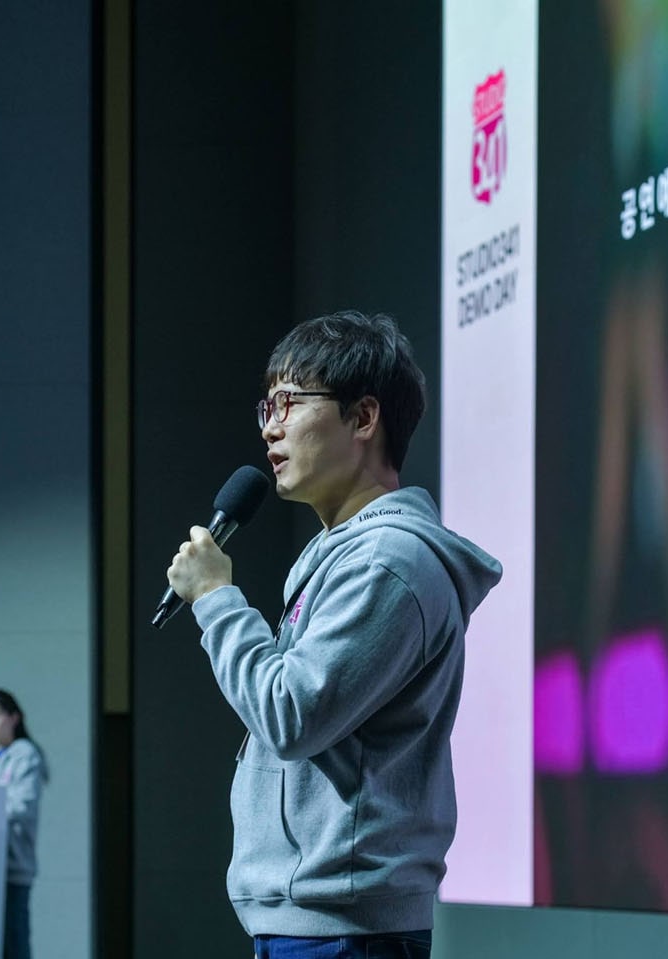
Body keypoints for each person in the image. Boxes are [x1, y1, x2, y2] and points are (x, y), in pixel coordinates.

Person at [165, 311, 503, 959]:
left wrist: (215, 597)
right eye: (267, 406)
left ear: (364, 417)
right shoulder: (346, 556)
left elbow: (290, 714)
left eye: (290, 402)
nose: (270, 425)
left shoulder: (387, 563)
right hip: (314, 921)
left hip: (347, 931)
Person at [0, 688, 49, 959]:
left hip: (12, 866)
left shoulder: (26, 755)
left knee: (14, 942)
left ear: (14, 717)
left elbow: (22, 805)